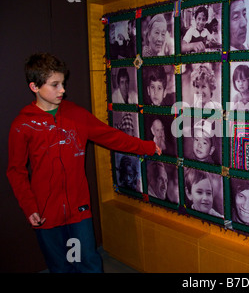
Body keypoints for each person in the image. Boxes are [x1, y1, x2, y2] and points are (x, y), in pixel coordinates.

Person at [6, 53, 162, 273]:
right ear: (34, 86)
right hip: (45, 213)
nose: (63, 90)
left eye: (63, 83)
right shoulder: (22, 126)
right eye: (55, 85)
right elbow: (16, 171)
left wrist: (146, 146)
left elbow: (111, 137)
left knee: (85, 262)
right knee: (59, 266)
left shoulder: (76, 115)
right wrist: (29, 206)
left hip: (78, 212)